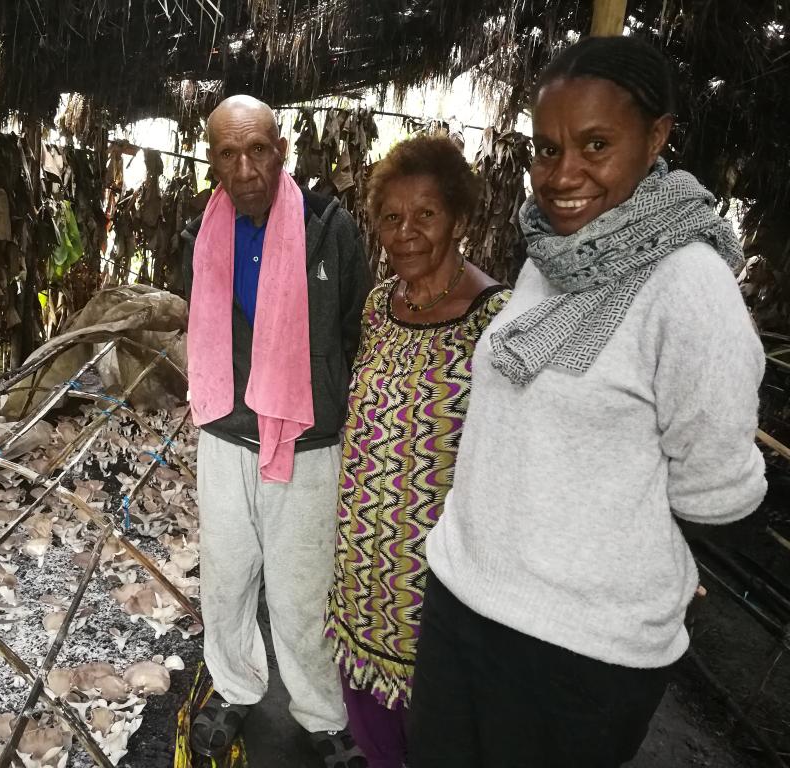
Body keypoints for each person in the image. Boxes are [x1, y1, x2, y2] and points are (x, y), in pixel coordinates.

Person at [408, 35, 768, 768]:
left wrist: (601, 547)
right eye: (547, 149)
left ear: (656, 136)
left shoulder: (688, 287)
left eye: (596, 145)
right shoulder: (555, 254)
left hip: (575, 652)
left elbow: (715, 493)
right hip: (465, 601)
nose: (564, 174)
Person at [182, 94, 371, 766]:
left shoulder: (329, 227)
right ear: (213, 163)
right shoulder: (203, 232)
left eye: (258, 150)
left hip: (307, 437)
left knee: (302, 590)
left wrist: (321, 393)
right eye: (228, 154)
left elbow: (353, 325)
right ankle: (235, 687)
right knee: (227, 579)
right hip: (226, 433)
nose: (245, 169)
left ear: (281, 151)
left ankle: (322, 713)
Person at [325, 135, 509, 768]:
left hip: (437, 584)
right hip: (361, 565)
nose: (406, 232)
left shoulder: (495, 320)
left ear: (458, 218)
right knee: (373, 725)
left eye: (425, 214)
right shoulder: (380, 306)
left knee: (440, 735)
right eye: (391, 217)